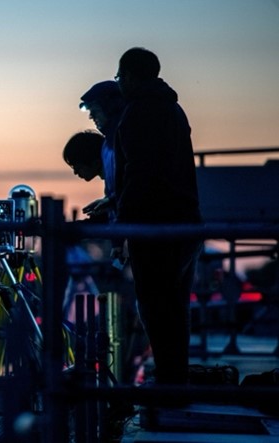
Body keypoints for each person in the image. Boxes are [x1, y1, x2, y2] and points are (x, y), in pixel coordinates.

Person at [113, 47, 202, 386]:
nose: (119, 83)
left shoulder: (138, 112)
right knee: (176, 308)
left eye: (120, 77)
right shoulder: (173, 108)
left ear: (132, 77)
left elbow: (137, 173)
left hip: (155, 225)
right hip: (187, 220)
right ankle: (175, 379)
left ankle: (169, 384)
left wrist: (122, 224)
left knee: (155, 307)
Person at [78, 80, 126, 222]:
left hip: (142, 230)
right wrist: (109, 202)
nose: (91, 117)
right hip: (124, 234)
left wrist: (111, 201)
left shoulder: (127, 138)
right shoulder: (107, 145)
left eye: (95, 111)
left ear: (110, 108)